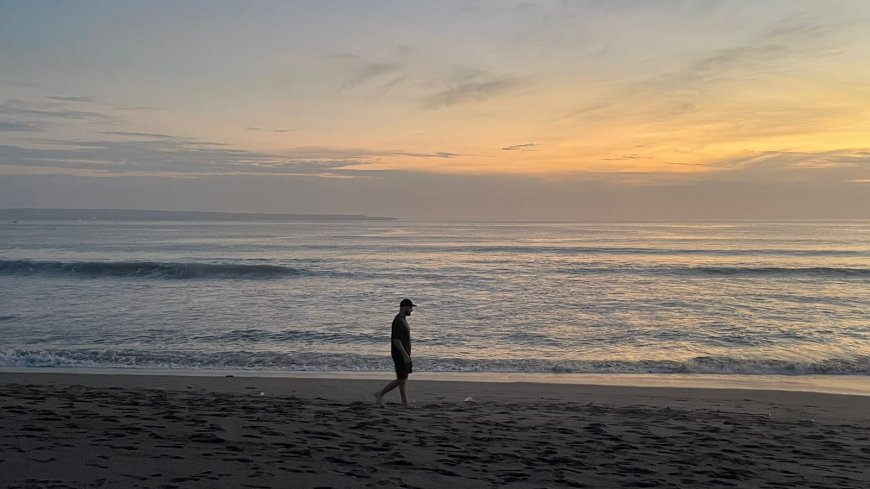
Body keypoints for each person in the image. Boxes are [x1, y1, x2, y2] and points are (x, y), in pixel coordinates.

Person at [374, 298, 415, 407]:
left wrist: (407, 355)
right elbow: (396, 341)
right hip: (400, 355)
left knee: (403, 379)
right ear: (404, 307)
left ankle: (403, 402)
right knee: (402, 379)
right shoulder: (398, 321)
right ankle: (381, 394)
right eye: (410, 307)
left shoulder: (403, 320)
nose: (411, 310)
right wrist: (405, 355)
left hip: (404, 354)